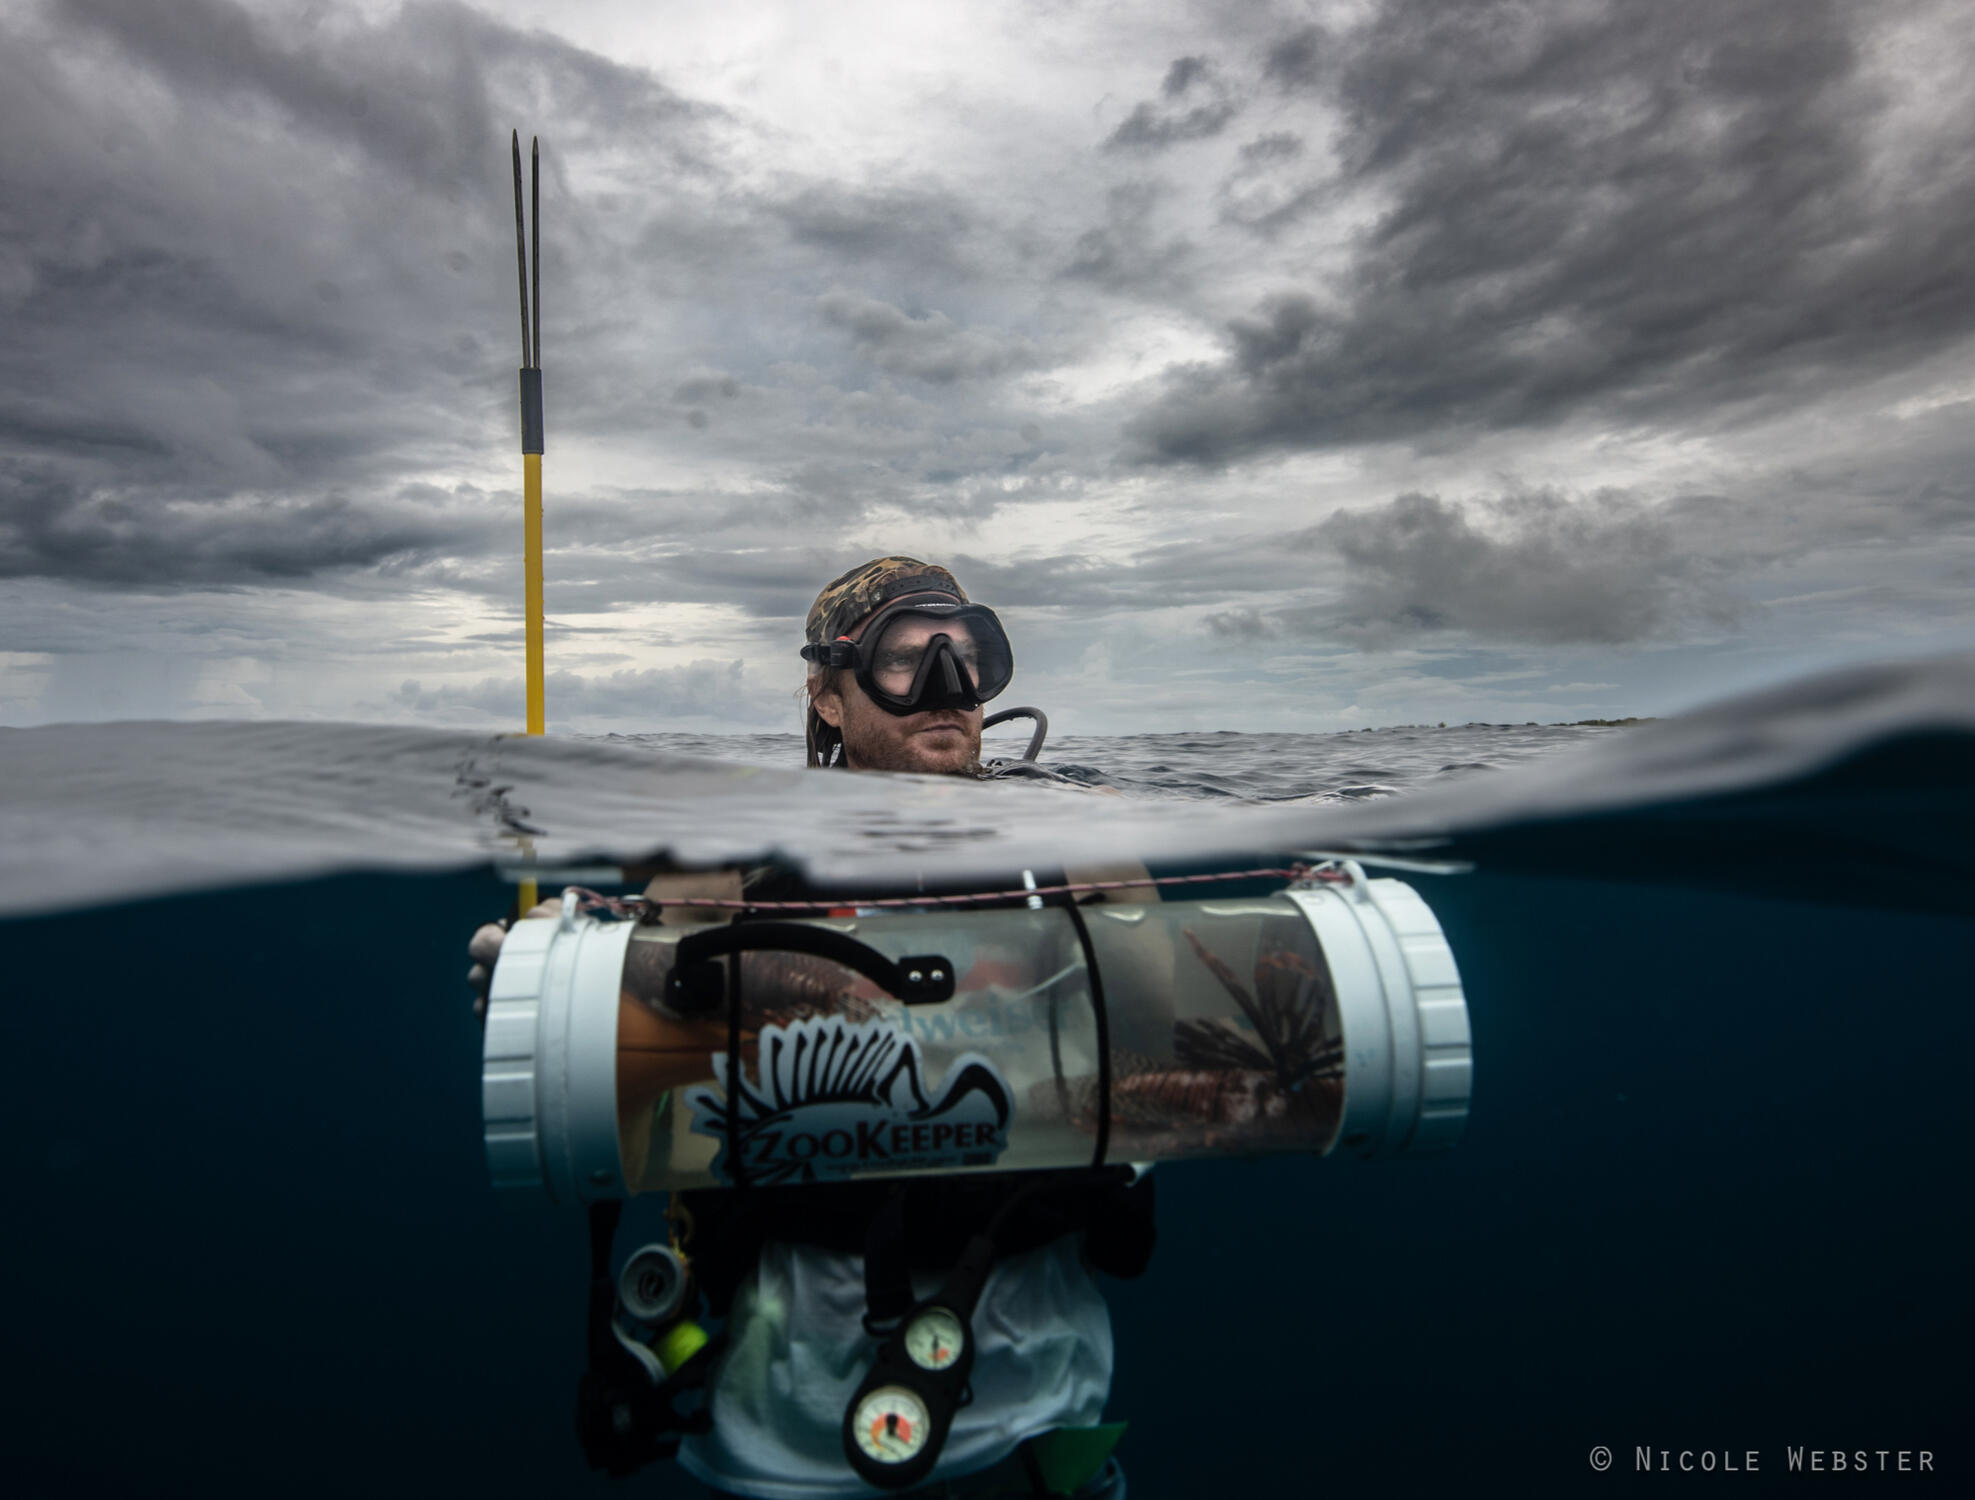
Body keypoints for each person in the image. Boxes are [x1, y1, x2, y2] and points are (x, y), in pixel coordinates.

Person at [470, 557, 1149, 1500]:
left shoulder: (1070, 839)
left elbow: (1167, 1023)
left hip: (1049, 1360)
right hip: (798, 1389)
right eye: (907, 659)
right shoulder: (738, 854)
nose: (950, 690)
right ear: (829, 699)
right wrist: (543, 978)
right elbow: (634, 1004)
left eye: (971, 654)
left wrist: (1122, 886)